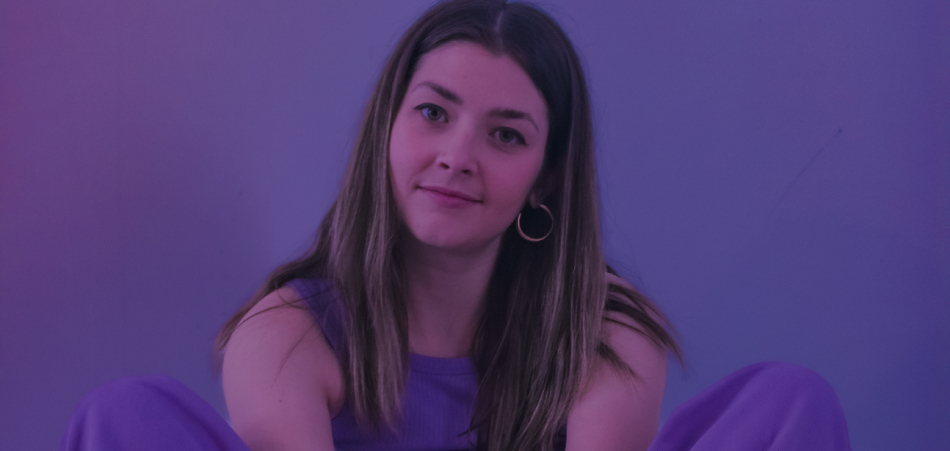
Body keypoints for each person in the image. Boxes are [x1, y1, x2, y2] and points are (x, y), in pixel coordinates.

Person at [61, 1, 852, 450]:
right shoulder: (287, 333)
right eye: (434, 114)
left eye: (505, 134)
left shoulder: (605, 333)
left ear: (546, 177)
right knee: (123, 415)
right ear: (387, 128)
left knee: (788, 401)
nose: (457, 156)